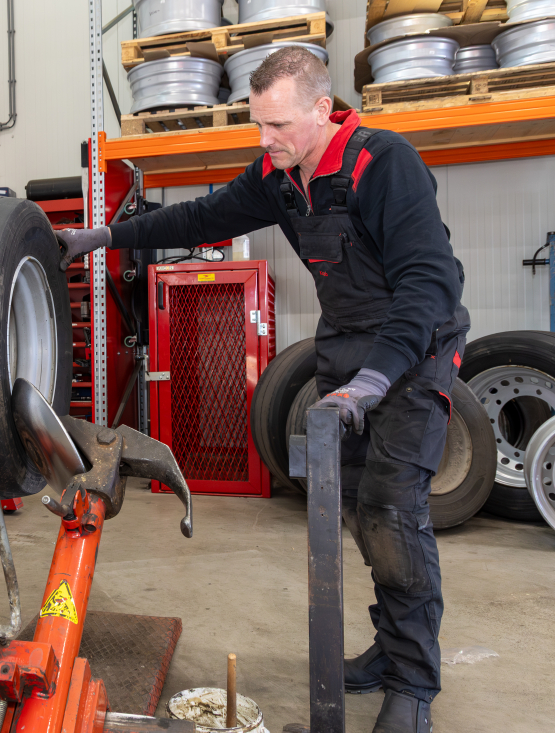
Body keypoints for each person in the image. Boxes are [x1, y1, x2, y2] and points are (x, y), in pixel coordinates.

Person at [56, 47, 467, 733]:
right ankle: (389, 646)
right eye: (258, 124)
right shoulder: (281, 177)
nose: (264, 139)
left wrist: (373, 381)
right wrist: (102, 236)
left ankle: (414, 682)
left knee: (395, 513)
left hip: (412, 355)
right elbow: (199, 219)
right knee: (362, 513)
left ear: (320, 108)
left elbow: (431, 284)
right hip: (345, 350)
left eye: (277, 124)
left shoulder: (381, 164)